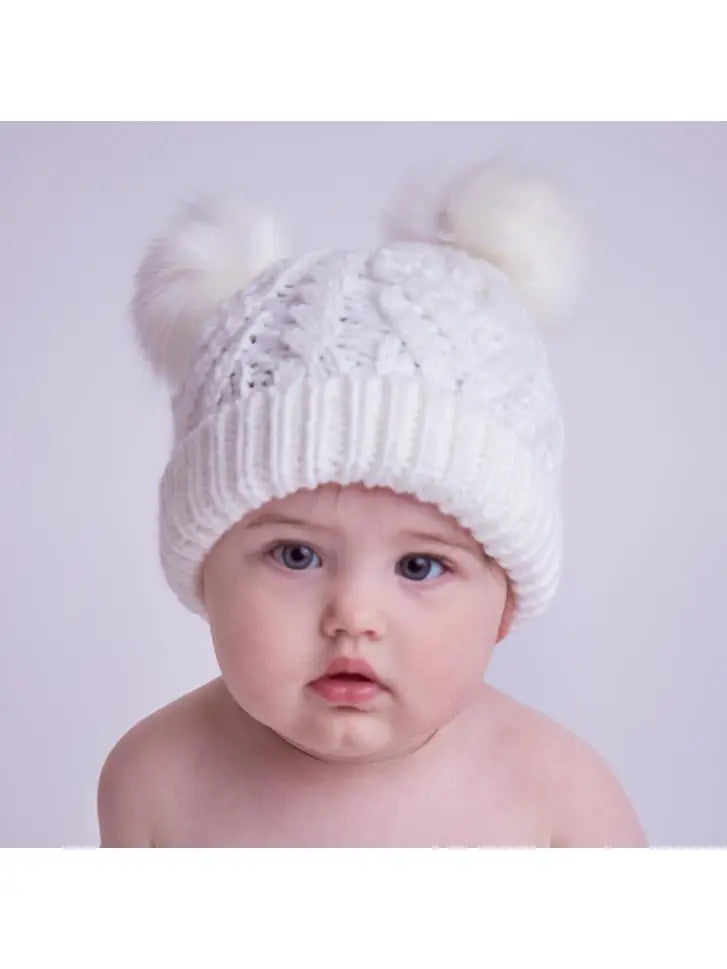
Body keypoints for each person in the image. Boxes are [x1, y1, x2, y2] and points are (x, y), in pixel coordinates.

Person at [97, 159, 647, 847]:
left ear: (505, 603)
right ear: (204, 567)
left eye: (419, 565)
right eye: (295, 554)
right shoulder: (157, 780)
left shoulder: (557, 799)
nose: (352, 616)